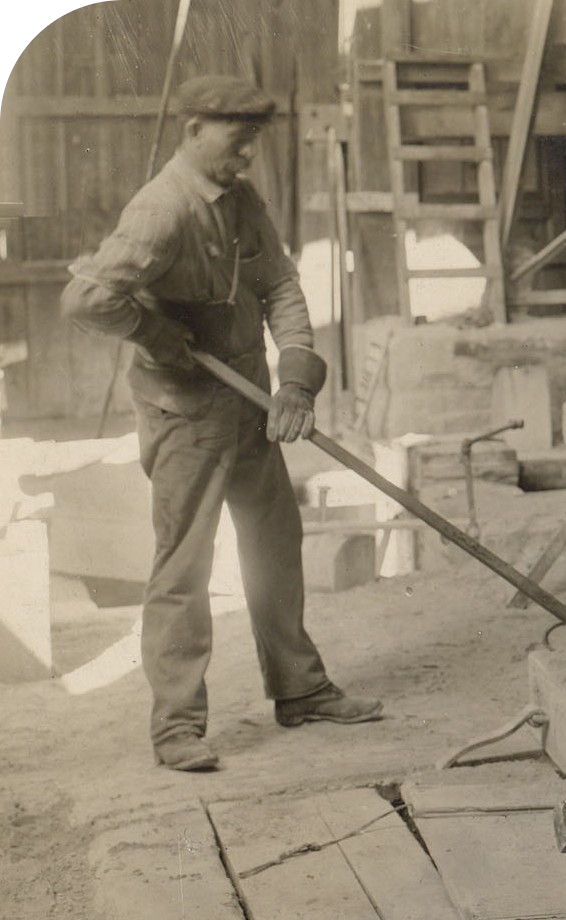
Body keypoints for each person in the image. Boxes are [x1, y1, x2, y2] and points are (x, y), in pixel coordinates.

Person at [62, 76, 382, 772]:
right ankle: (176, 725)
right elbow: (83, 298)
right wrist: (153, 330)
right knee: (186, 561)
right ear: (195, 130)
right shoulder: (160, 211)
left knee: (274, 541)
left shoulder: (239, 201)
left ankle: (298, 689)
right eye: (236, 147)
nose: (244, 162)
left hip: (248, 400)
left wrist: (296, 378)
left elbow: (279, 286)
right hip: (184, 411)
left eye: (250, 149)